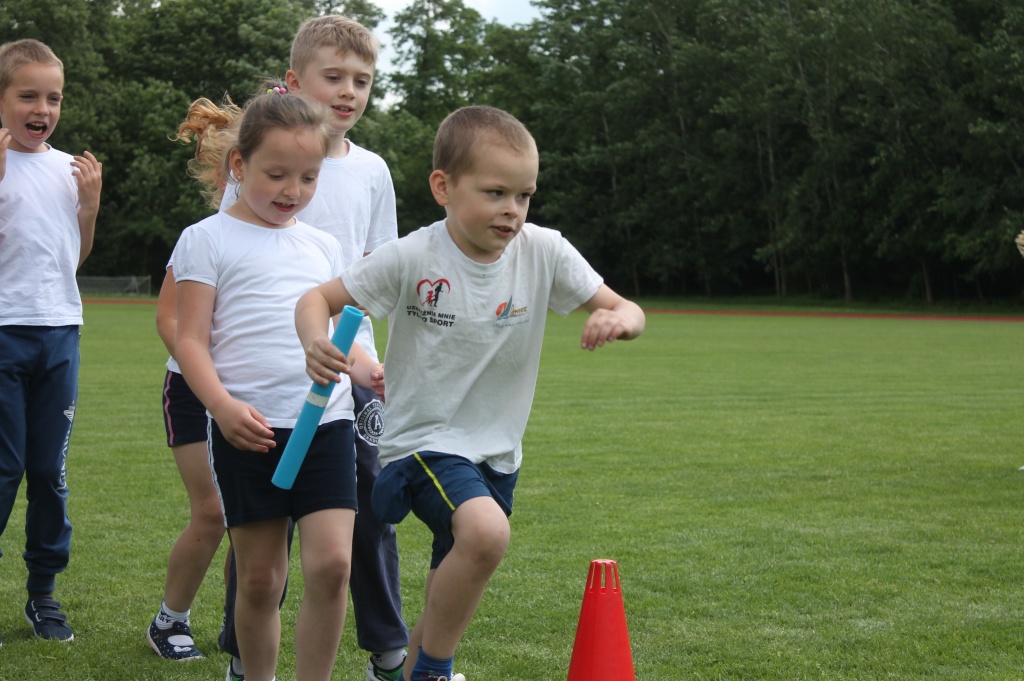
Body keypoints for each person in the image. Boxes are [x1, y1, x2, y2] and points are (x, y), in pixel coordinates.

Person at [294, 105, 646, 681]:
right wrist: (315, 341)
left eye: (525, 195)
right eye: (495, 192)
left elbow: (623, 305)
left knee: (451, 573)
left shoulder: (545, 250)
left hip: (498, 452)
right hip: (421, 443)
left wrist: (621, 321)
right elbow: (317, 300)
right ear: (444, 187)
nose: (512, 210)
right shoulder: (412, 256)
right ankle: (435, 669)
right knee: (486, 534)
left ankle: (411, 669)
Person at [217, 15, 409, 681]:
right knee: (265, 518)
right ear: (298, 81)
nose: (349, 91)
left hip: (350, 369)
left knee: (368, 503)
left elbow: (381, 271)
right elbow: (231, 251)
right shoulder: (268, 155)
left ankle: (387, 647)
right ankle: (246, 653)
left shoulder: (374, 170)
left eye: (361, 80)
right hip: (267, 373)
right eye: (334, 77)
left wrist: (371, 358)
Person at [172, 90, 383, 681]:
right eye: (277, 174)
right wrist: (221, 407)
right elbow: (190, 339)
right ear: (238, 166)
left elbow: (347, 335)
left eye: (309, 177)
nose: (294, 190)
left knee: (333, 566)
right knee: (262, 580)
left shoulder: (321, 245)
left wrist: (370, 372)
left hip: (327, 425)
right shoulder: (206, 238)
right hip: (251, 432)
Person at [0, 38, 103, 645]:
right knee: (5, 469)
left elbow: (73, 260)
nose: (43, 107)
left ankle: (44, 594)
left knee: (48, 470)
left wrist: (88, 208)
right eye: (28, 95)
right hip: (4, 333)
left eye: (54, 97)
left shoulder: (69, 169)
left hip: (61, 331)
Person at [145, 100, 240, 661]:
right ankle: (169, 620)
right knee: (214, 510)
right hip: (192, 391)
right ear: (234, 167)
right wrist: (211, 381)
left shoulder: (292, 233)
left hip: (256, 393)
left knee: (256, 516)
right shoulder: (203, 235)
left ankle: (239, 627)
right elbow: (169, 319)